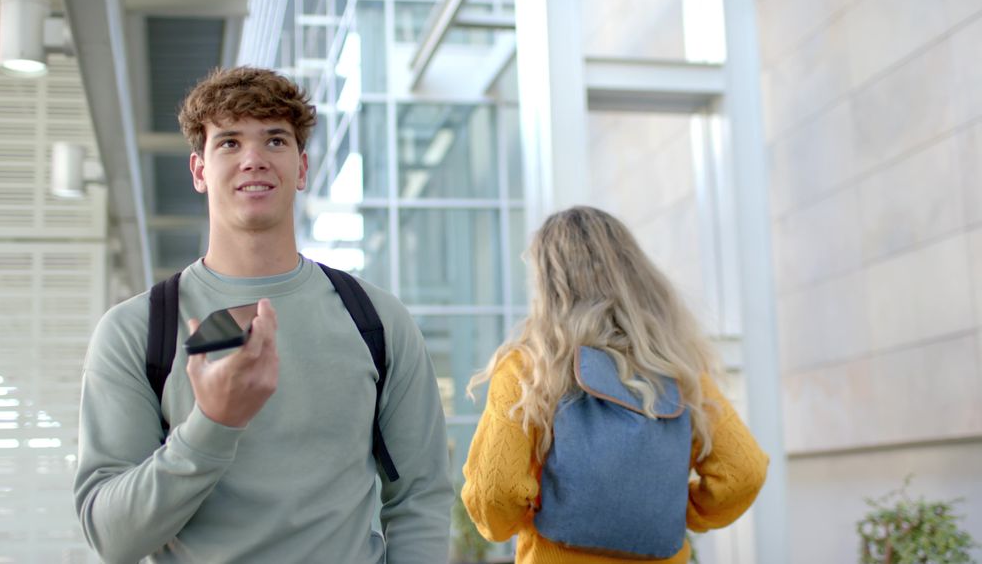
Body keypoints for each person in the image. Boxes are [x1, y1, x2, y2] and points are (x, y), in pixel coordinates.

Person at [73, 67, 452, 563]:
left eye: (275, 140)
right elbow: (112, 538)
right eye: (229, 143)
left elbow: (419, 498)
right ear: (199, 171)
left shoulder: (377, 320)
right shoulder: (137, 330)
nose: (253, 159)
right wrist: (213, 423)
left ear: (302, 168)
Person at [460, 206, 769, 564]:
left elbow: (492, 493)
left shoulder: (530, 367)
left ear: (548, 284)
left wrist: (530, 517)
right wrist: (667, 510)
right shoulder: (675, 369)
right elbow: (743, 471)